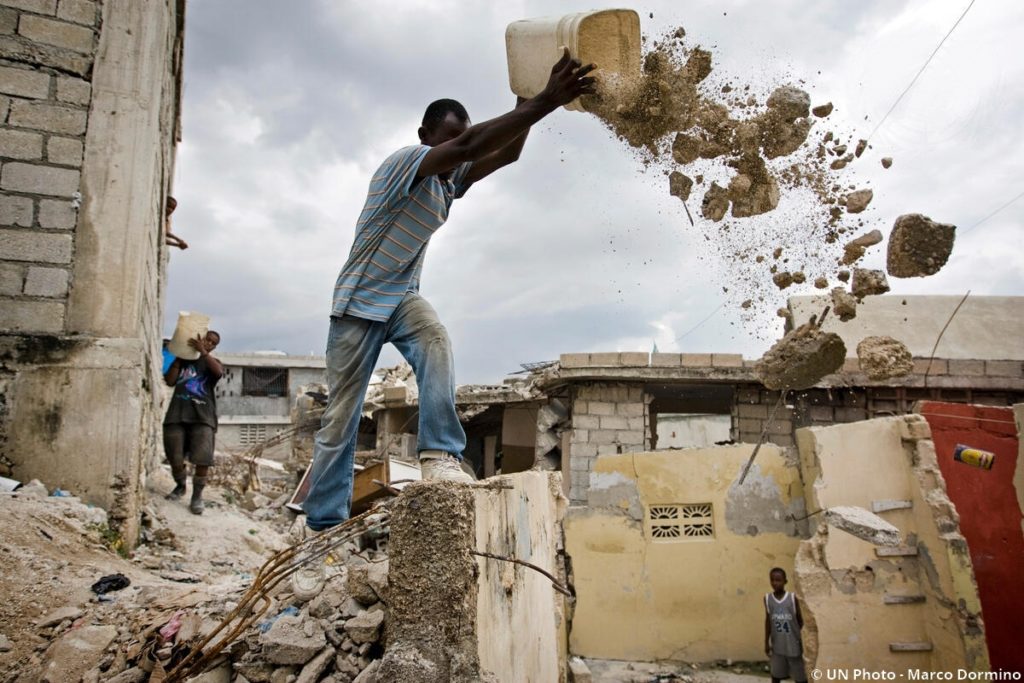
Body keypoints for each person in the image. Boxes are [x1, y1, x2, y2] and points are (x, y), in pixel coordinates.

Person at [290, 50, 595, 597]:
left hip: (400, 298)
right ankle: (321, 530)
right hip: (359, 302)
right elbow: (474, 146)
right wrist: (543, 100)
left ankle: (439, 454)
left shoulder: (448, 184)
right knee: (340, 420)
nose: (453, 147)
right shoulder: (404, 162)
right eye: (447, 137)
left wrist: (533, 100)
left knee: (435, 338)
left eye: (458, 138)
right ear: (426, 134)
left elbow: (502, 154)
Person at [163, 331, 223, 514]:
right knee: (174, 455)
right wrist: (180, 359)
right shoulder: (183, 361)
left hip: (203, 417)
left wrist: (203, 353)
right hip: (177, 414)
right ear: (200, 337)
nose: (209, 344)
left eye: (213, 343)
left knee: (203, 459)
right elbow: (170, 380)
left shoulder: (213, 363)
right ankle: (180, 485)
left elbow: (218, 373)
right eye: (207, 339)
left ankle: (197, 496)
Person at [764, 567, 807, 683]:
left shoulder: (792, 598)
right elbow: (768, 621)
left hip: (793, 645)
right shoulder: (768, 599)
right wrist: (766, 643)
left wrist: (804, 642)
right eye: (772, 580)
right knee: (776, 675)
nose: (774, 583)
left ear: (785, 581)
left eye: (778, 580)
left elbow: (800, 621)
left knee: (800, 678)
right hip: (777, 646)